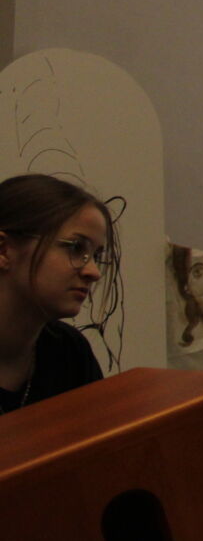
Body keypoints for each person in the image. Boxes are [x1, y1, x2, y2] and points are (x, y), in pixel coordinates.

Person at [0, 174, 120, 416]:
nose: (94, 272)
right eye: (75, 248)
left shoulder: (68, 351)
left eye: (96, 256)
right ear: (4, 250)